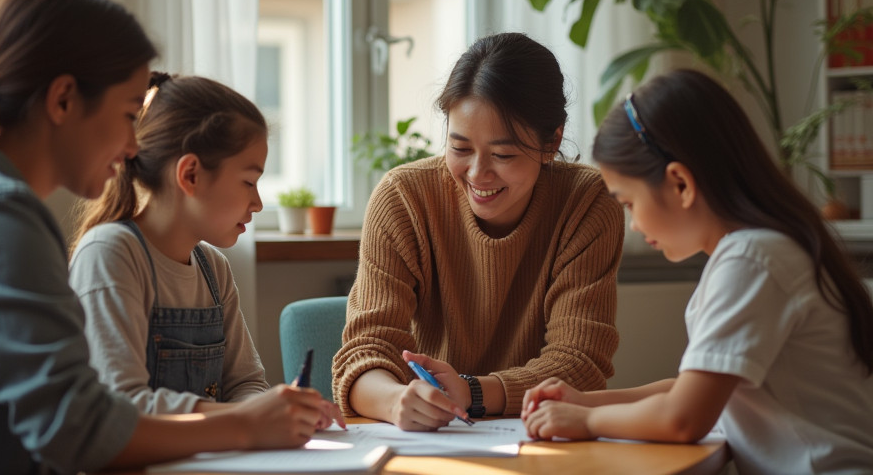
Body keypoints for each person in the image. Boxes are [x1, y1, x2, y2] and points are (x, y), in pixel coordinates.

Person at [0, 0, 328, 474]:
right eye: (129, 113)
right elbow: (76, 428)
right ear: (64, 99)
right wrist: (245, 425)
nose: (134, 147)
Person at [521, 69, 873, 473]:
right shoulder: (765, 250)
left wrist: (586, 421)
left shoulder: (752, 260)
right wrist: (587, 400)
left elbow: (683, 417)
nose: (633, 224)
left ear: (681, 184)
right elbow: (690, 391)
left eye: (629, 203)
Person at [332, 32, 625, 430]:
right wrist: (395, 400)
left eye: (503, 155)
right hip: (428, 441)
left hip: (542, 439)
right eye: (460, 148)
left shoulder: (587, 202)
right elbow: (364, 353)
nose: (476, 174)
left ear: (551, 141)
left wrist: (473, 391)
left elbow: (580, 361)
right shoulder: (403, 198)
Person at [68, 72, 341, 425]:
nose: (257, 203)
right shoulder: (110, 254)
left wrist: (278, 412)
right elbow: (123, 406)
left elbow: (246, 383)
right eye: (248, 182)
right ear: (191, 175)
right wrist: (251, 419)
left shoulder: (213, 267)